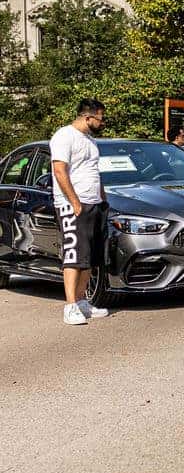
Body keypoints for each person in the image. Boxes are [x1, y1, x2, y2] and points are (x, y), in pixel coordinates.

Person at [51, 99, 110, 325]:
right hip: (72, 205)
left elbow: (94, 172)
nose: (102, 122)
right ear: (88, 117)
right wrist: (75, 203)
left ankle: (82, 300)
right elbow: (59, 171)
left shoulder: (90, 140)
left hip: (94, 203)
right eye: (100, 118)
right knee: (74, 256)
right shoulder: (64, 136)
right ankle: (70, 306)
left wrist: (102, 199)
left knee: (90, 257)